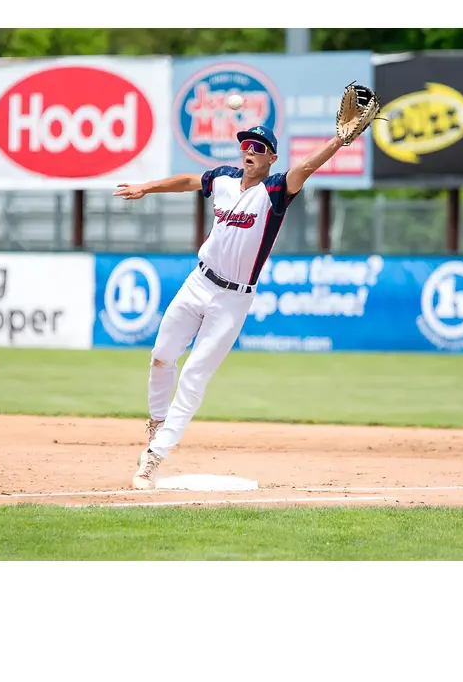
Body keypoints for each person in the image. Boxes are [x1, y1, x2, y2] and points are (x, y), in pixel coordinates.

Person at [114, 124, 351, 488]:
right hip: (198, 281)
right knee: (161, 355)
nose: (249, 150)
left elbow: (305, 169)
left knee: (195, 374)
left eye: (259, 146)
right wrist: (147, 187)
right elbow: (188, 181)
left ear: (271, 157)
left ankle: (155, 456)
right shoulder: (224, 179)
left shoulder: (275, 191)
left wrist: (339, 141)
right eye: (245, 145)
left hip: (233, 299)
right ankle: (158, 425)